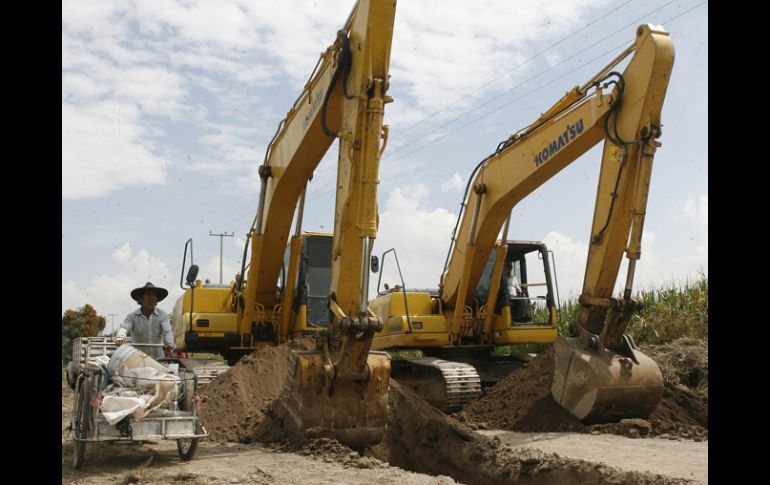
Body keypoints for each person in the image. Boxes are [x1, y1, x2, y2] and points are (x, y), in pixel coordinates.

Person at [116, 282, 175, 360]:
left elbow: (167, 331)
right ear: (141, 299)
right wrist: (120, 338)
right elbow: (124, 328)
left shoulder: (163, 315)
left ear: (156, 300)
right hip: (137, 360)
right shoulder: (132, 316)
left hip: (158, 359)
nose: (151, 298)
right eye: (148, 294)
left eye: (154, 295)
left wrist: (169, 343)